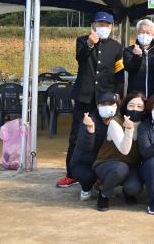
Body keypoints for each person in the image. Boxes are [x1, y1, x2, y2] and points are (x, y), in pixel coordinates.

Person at [58, 11, 124, 188]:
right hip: (84, 97)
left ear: (111, 27)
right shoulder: (82, 40)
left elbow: (119, 73)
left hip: (105, 99)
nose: (103, 27)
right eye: (100, 24)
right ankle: (71, 174)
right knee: (76, 135)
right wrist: (89, 44)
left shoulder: (116, 47)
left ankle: (100, 173)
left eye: (107, 25)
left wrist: (118, 93)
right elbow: (80, 58)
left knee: (103, 136)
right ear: (94, 25)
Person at [92, 91, 145, 211]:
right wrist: (129, 129)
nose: (135, 109)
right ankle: (104, 194)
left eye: (139, 106)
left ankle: (127, 191)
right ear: (125, 106)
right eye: (131, 105)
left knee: (133, 188)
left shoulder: (145, 124)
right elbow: (124, 150)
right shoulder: (115, 122)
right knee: (120, 168)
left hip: (132, 165)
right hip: (108, 163)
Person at [70, 92, 111, 201]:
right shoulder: (89, 121)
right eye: (103, 104)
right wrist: (90, 130)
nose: (107, 107)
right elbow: (86, 147)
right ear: (97, 105)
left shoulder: (118, 121)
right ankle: (86, 188)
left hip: (105, 160)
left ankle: (101, 185)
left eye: (111, 104)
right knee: (87, 176)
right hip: (85, 162)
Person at [123, 19, 154, 97]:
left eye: (148, 32)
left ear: (153, 35)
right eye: (142, 32)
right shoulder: (129, 50)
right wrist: (136, 57)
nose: (145, 35)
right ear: (137, 33)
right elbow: (129, 68)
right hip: (135, 96)